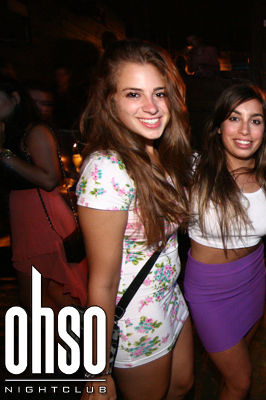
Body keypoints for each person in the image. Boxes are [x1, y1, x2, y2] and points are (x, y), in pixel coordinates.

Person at [76, 40, 194, 400]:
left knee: (182, 387)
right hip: (134, 317)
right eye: (133, 94)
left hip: (171, 299)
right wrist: (96, 371)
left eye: (159, 93)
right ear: (109, 100)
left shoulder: (159, 153)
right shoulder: (106, 170)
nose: (151, 107)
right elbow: (102, 282)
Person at [184, 84, 266, 400]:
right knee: (241, 380)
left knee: (237, 370)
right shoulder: (193, 168)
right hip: (208, 291)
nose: (245, 130)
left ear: (265, 130)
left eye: (255, 120)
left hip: (253, 279)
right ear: (218, 126)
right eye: (234, 118)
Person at [0, 77, 86, 314]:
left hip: (42, 221)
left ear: (15, 99)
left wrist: (4, 155)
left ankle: (81, 335)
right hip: (27, 220)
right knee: (53, 294)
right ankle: (84, 334)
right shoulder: (12, 132)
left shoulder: (35, 131)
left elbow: (49, 179)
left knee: (34, 299)